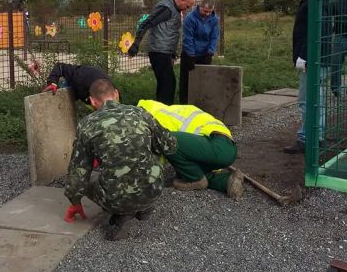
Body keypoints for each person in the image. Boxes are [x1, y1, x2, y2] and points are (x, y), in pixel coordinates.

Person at [64, 79, 177, 240]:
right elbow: (170, 146)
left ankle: (123, 214)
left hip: (115, 197)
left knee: (92, 180)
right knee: (151, 156)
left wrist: (74, 201)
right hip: (154, 188)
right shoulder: (141, 113)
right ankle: (144, 206)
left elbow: (78, 172)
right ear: (116, 94)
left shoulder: (87, 124)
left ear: (93, 101)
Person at [138, 99, 244, 199]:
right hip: (223, 146)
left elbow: (160, 155)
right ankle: (227, 181)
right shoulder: (155, 109)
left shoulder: (148, 119)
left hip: (219, 144)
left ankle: (195, 179)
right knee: (183, 169)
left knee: (169, 141)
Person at [284, 0, 332, 154]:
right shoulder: (314, 0)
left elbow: (316, 32)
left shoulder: (313, 2)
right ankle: (317, 137)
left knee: (307, 100)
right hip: (319, 57)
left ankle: (306, 138)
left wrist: (304, 56)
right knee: (316, 99)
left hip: (313, 59)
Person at [127, 0, 194, 105]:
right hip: (158, 51)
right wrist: (136, 44)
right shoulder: (166, 9)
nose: (186, 10)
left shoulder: (173, 10)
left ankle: (161, 109)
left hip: (164, 51)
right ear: (181, 0)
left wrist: (172, 53)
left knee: (165, 83)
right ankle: (164, 111)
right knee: (168, 84)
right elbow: (146, 23)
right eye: (187, 6)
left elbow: (170, 32)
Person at [179, 0, 219, 103]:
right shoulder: (190, 18)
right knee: (186, 81)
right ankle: (184, 103)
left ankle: (201, 103)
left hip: (205, 54)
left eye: (209, 12)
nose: (207, 14)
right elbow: (188, 38)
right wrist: (191, 55)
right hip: (189, 53)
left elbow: (214, 37)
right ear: (200, 7)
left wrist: (210, 52)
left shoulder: (214, 19)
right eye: (205, 11)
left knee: (203, 80)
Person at [44, 63, 111, 103]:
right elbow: (60, 67)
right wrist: (52, 83)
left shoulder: (114, 94)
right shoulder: (78, 76)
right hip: (74, 83)